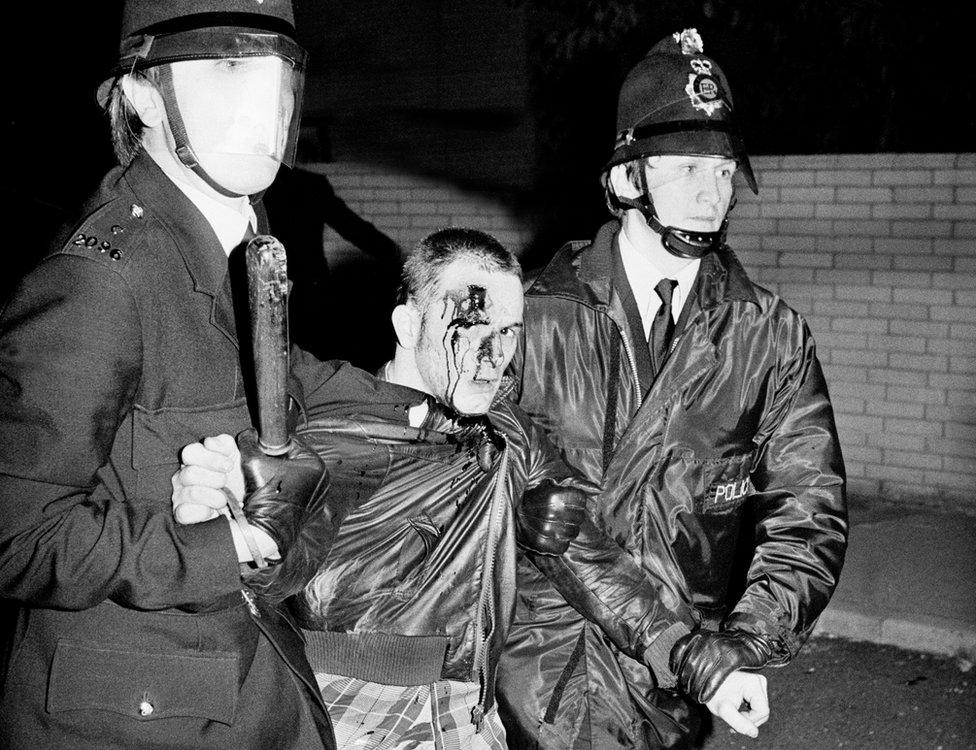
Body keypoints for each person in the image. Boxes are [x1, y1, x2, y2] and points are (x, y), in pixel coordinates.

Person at [173, 227, 771, 749]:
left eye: (510, 333)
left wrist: (694, 659)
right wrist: (245, 526)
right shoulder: (334, 428)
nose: (494, 357)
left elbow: (590, 562)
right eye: (469, 326)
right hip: (350, 713)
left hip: (467, 706)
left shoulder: (508, 433)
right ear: (408, 326)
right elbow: (269, 577)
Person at [497, 28, 849, 748]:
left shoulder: (769, 337)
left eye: (723, 171)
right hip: (532, 677)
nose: (710, 193)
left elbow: (807, 514)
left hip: (673, 689)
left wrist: (737, 650)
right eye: (686, 167)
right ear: (627, 179)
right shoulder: (531, 319)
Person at [0, 1, 335, 747]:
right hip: (133, 717)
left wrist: (419, 406)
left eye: (281, 69)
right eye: (227, 66)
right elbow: (18, 537)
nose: (267, 102)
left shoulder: (241, 240)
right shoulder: (101, 281)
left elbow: (281, 384)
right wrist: (224, 547)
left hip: (246, 683)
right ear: (145, 93)